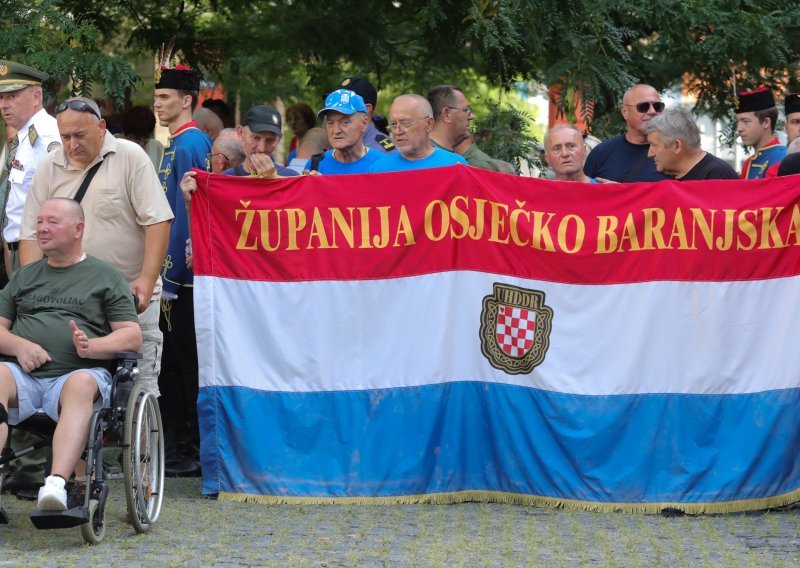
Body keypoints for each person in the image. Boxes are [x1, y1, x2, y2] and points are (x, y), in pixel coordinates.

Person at [18, 96, 173, 398]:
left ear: (101, 127)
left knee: (139, 390)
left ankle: (138, 443)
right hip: (69, 303)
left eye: (80, 135)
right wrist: (30, 291)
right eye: (65, 137)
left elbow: (158, 221)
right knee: (69, 386)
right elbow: (30, 236)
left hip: (129, 298)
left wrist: (147, 280)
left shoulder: (130, 156)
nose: (72, 144)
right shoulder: (50, 166)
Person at [0, 198, 141, 511]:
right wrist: (19, 345)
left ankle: (56, 485)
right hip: (24, 376)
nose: (42, 229)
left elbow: (132, 335)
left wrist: (94, 346)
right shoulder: (24, 276)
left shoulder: (105, 276)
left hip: (77, 375)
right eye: (39, 222)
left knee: (79, 385)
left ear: (78, 229)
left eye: (52, 222)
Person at [154, 64, 211, 477]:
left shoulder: (192, 143)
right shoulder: (173, 142)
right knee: (170, 363)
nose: (158, 104)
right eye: (157, 97)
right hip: (168, 271)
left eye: (166, 98)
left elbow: (193, 208)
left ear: (187, 100)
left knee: (184, 364)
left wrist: (176, 268)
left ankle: (189, 446)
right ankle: (177, 442)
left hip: (184, 277)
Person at [0, 60, 61, 274]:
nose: (3, 105)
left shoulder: (46, 137)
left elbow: (61, 198)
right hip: (17, 250)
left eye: (12, 96)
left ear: (36, 97)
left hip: (39, 254)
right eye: (1, 97)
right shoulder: (25, 135)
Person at [583, 84, 668, 182]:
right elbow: (586, 193)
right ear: (625, 112)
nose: (652, 111)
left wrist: (622, 191)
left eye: (657, 106)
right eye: (643, 107)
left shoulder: (673, 151)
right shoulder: (601, 153)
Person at [369, 95, 467, 173]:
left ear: (428, 124)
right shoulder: (379, 170)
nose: (397, 131)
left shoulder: (454, 165)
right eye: (393, 124)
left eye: (405, 123)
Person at [644, 108, 739, 181]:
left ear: (676, 146)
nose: (650, 154)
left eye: (654, 145)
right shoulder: (671, 175)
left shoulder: (718, 175)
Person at [306, 89, 382, 174]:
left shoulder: (383, 165)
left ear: (364, 123)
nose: (336, 130)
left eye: (345, 122)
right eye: (330, 123)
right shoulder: (316, 166)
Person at [428, 85, 500, 172]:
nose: (472, 117)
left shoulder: (414, 153)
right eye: (466, 110)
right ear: (447, 114)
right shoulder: (452, 163)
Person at [226, 105, 298, 178]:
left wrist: (272, 179)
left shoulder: (291, 178)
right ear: (241, 133)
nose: (262, 148)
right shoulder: (227, 179)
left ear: (278, 140)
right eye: (256, 138)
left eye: (270, 140)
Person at [734, 87, 786, 179]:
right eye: (738, 122)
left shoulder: (782, 159)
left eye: (746, 121)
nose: (739, 128)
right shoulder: (749, 162)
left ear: (766, 122)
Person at [338, 77, 396, 154]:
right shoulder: (340, 142)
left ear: (366, 109)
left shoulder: (383, 152)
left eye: (347, 105)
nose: (337, 110)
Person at [120, 105, 163, 170]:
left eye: (146, 139)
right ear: (124, 134)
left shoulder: (157, 147)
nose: (142, 143)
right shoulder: (115, 148)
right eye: (137, 139)